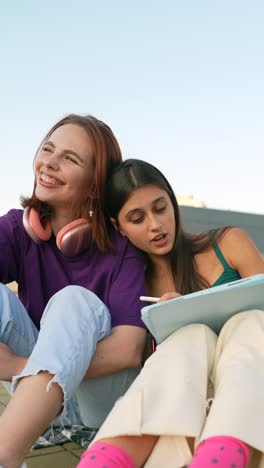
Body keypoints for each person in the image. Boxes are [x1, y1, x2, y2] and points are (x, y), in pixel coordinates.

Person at [78, 159, 264, 468]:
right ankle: (107, 460)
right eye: (137, 218)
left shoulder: (229, 243)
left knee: (251, 322)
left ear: (172, 203)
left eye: (160, 208)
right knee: (187, 336)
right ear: (118, 227)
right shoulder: (132, 287)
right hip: (182, 405)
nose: (155, 224)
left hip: (251, 381)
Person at [0, 120, 148, 468]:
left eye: (69, 158)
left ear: (96, 185)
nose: (48, 162)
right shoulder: (17, 229)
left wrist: (21, 367)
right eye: (48, 149)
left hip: (100, 403)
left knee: (73, 300)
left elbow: (129, 349)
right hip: (37, 402)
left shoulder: (122, 250)